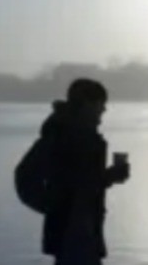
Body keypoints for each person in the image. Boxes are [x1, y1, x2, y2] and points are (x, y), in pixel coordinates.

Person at [39, 78, 130, 265]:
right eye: (101, 104)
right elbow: (72, 183)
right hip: (74, 237)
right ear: (88, 104)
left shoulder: (77, 133)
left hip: (82, 235)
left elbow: (81, 181)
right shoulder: (66, 135)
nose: (104, 110)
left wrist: (107, 178)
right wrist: (107, 177)